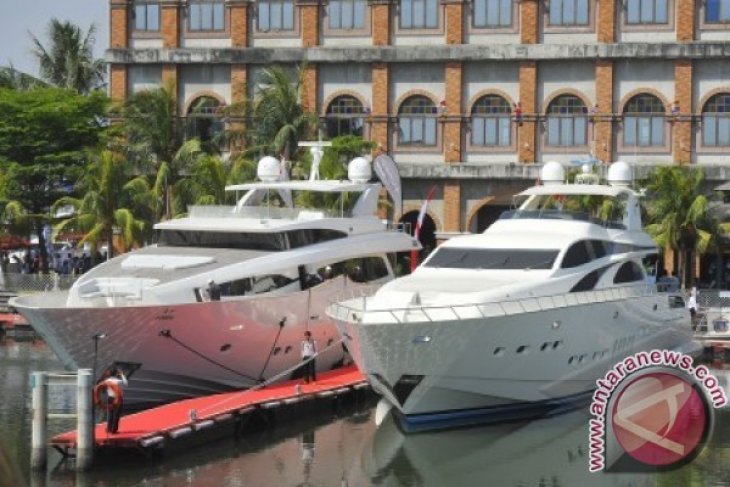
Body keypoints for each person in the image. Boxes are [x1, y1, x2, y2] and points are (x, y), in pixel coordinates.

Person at [103, 368, 128, 434]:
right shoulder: (119, 381)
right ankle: (114, 430)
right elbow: (126, 385)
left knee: (110, 414)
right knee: (116, 415)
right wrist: (122, 375)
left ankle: (109, 429)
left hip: (110, 398)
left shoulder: (107, 381)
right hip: (118, 398)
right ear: (116, 374)